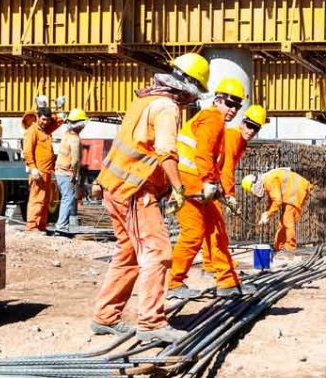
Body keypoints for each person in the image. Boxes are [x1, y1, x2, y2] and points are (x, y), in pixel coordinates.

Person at [91, 52, 209, 345]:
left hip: (114, 186)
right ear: (189, 86)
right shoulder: (167, 108)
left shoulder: (144, 99)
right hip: (134, 190)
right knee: (157, 252)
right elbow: (166, 152)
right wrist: (179, 189)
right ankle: (151, 323)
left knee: (128, 254)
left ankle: (105, 317)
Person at [168, 78, 255, 299]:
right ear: (217, 100)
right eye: (229, 103)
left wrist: (218, 187)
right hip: (190, 183)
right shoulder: (213, 118)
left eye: (236, 106)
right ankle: (173, 283)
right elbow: (203, 153)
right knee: (193, 234)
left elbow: (216, 162)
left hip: (198, 182)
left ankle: (227, 282)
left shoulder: (216, 121)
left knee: (217, 232)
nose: (232, 110)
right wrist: (209, 182)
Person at [201, 105, 266, 277]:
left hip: (212, 183)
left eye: (256, 128)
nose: (252, 131)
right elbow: (227, 168)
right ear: (243, 123)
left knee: (213, 226)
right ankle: (214, 263)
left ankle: (212, 262)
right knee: (215, 227)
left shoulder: (240, 141)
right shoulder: (233, 137)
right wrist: (229, 195)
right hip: (207, 183)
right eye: (250, 125)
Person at [242, 168, 312, 251]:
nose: (253, 193)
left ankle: (290, 248)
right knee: (283, 222)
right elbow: (272, 200)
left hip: (295, 190)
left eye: (251, 190)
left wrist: (268, 214)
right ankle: (279, 246)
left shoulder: (268, 181)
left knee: (287, 219)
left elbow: (277, 200)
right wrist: (267, 213)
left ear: (253, 185)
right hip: (296, 189)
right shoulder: (266, 180)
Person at [23, 107, 63, 232]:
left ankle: (41, 226)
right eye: (43, 119)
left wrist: (58, 110)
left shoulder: (45, 130)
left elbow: (58, 121)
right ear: (37, 117)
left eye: (47, 120)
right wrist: (32, 168)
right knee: (37, 200)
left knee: (45, 201)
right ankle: (32, 226)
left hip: (46, 172)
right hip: (38, 172)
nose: (45, 122)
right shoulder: (33, 131)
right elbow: (27, 151)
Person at [53, 108, 89, 236]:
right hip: (67, 173)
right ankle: (61, 227)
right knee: (68, 199)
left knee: (65, 198)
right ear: (80, 124)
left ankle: (63, 226)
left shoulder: (66, 135)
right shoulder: (75, 139)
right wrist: (76, 174)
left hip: (59, 171)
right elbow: (75, 161)